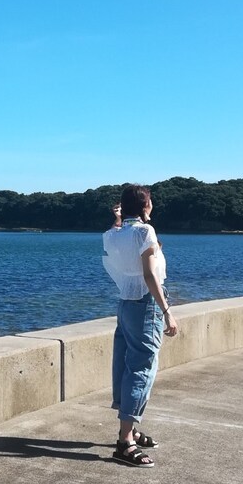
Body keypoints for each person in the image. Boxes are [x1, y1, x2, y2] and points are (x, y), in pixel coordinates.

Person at [102, 184, 178, 467]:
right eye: (150, 201)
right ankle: (125, 441)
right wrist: (167, 311)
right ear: (146, 205)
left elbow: (122, 245)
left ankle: (129, 429)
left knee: (124, 365)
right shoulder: (145, 231)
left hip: (125, 304)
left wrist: (119, 219)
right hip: (145, 305)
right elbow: (149, 274)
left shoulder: (114, 233)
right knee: (142, 368)